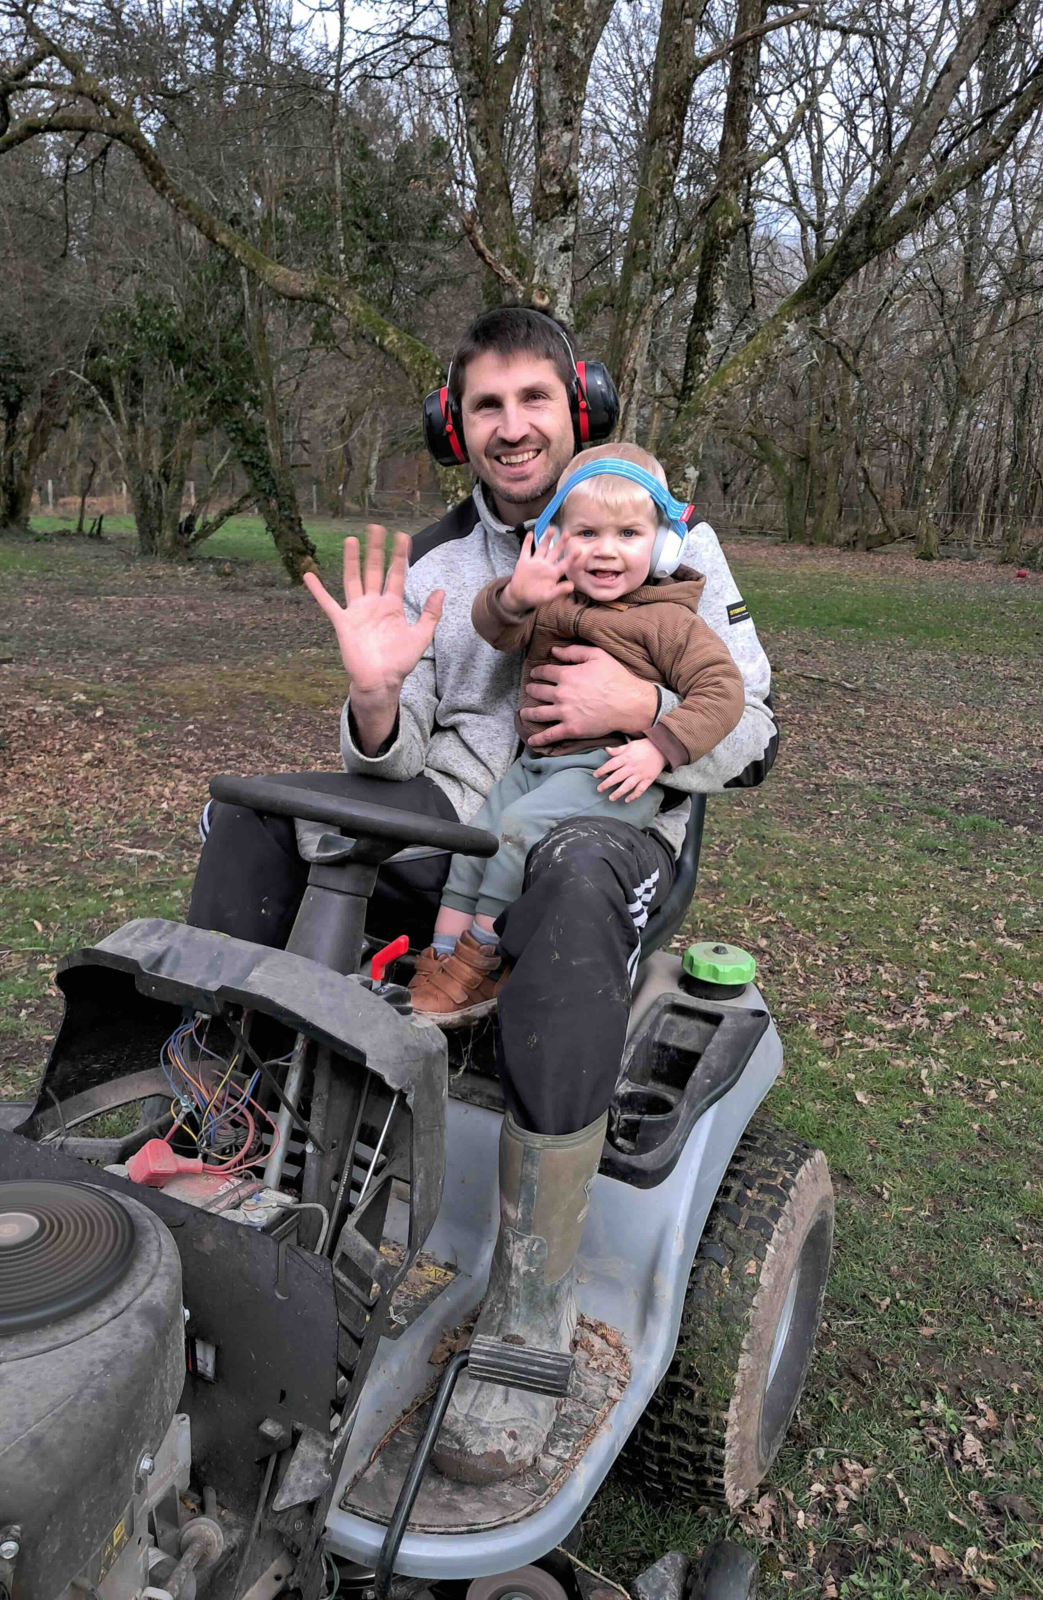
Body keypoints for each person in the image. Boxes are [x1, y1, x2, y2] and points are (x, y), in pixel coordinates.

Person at [188, 306, 778, 1485]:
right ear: (453, 425)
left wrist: (639, 712)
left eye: (535, 400)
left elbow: (756, 731)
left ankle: (532, 1296)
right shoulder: (439, 564)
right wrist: (372, 695)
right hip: (454, 822)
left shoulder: (671, 547)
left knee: (568, 875)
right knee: (255, 810)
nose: (513, 427)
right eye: (487, 405)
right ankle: (224, 1133)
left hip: (609, 824)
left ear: (580, 407)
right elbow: (393, 751)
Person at [409, 443, 745, 1025]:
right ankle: (441, 956)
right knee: (479, 837)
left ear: (663, 544)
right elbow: (494, 629)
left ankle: (483, 962)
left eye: (629, 534)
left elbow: (724, 692)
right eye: (586, 533)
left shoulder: (671, 621)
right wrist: (515, 596)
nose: (606, 550)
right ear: (555, 538)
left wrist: (659, 747)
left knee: (516, 830)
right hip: (537, 765)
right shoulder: (556, 599)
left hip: (612, 773)